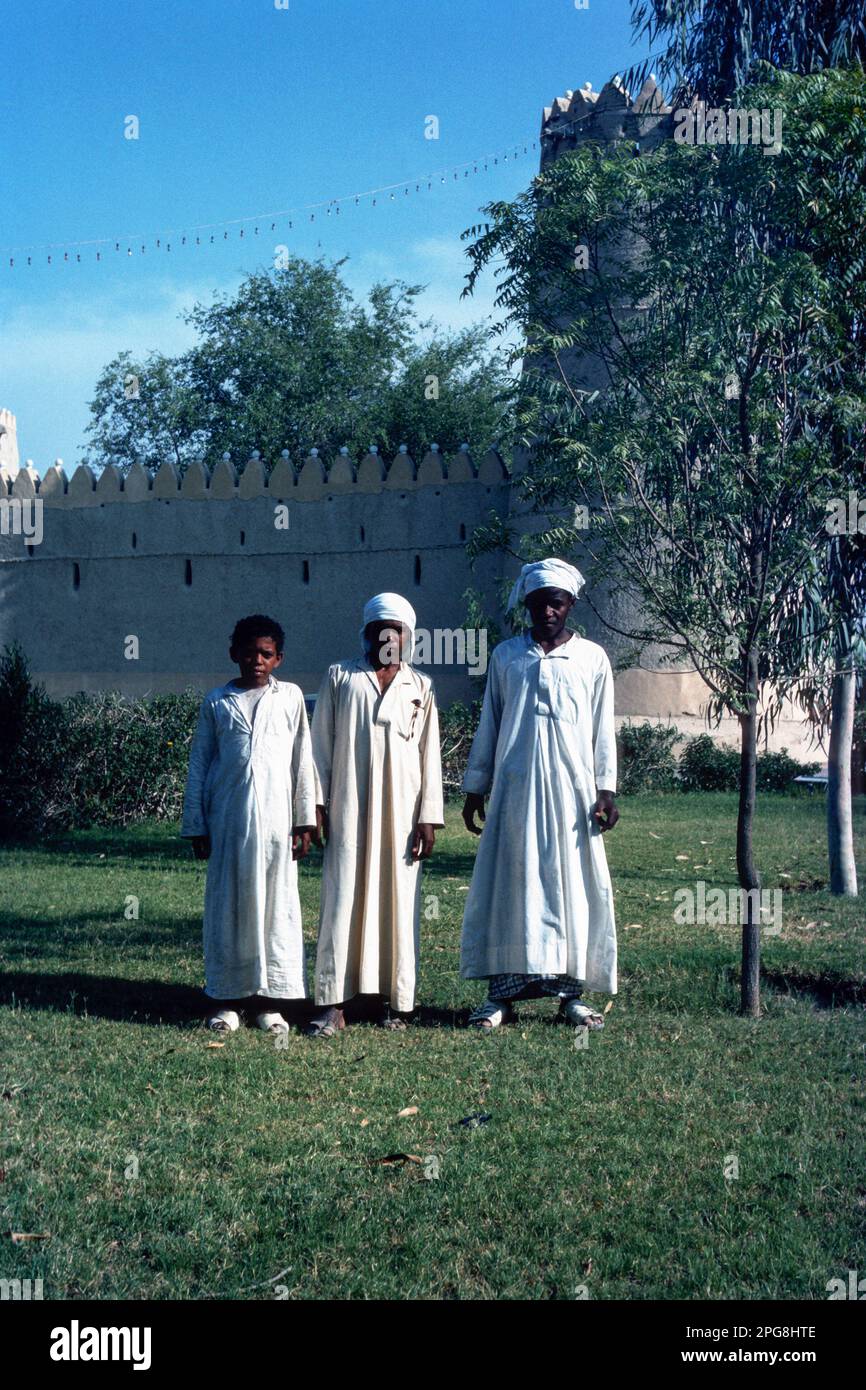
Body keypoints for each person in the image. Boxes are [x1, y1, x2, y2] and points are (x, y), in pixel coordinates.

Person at [460, 559, 619, 1030]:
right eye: (538, 602)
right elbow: (490, 722)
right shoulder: (508, 656)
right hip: (516, 792)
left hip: (572, 794)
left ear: (571, 604)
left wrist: (605, 790)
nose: (547, 611)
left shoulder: (591, 658)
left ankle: (571, 995)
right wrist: (476, 787)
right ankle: (501, 996)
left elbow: (602, 729)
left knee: (569, 885)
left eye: (556, 602)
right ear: (526, 605)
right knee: (513, 884)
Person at [305, 593, 444, 1037]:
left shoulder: (420, 686)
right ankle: (333, 1002)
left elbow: (429, 756)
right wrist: (317, 803)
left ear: (408, 637)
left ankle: (394, 1003)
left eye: (396, 629)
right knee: (343, 896)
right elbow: (319, 746)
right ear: (365, 633)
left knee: (397, 901)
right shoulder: (341, 677)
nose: (387, 636)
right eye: (379, 628)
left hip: (402, 814)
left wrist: (429, 816)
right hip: (348, 807)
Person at [180, 614, 317, 1034]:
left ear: (278, 658)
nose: (256, 660)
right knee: (230, 909)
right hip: (228, 825)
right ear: (233, 653)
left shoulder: (290, 697)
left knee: (275, 910)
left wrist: (304, 820)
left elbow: (302, 761)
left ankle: (269, 1002)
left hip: (277, 827)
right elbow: (201, 763)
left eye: (266, 653)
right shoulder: (217, 702)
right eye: (249, 652)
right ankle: (227, 1000)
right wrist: (196, 824)